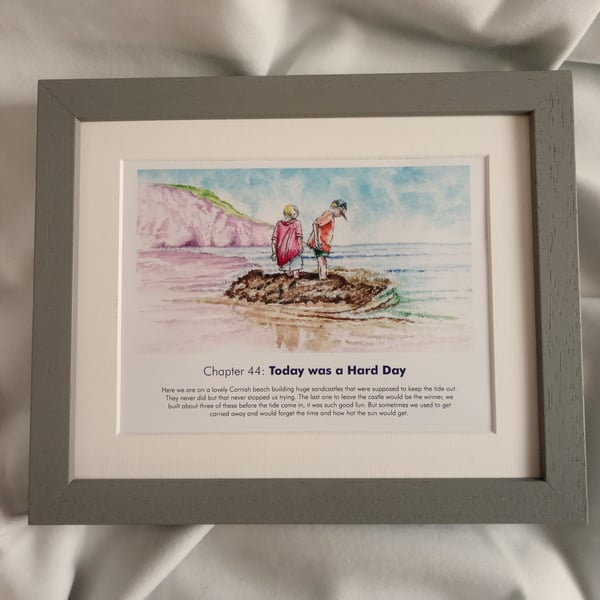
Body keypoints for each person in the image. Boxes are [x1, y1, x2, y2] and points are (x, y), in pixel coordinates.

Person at [307, 199, 347, 280]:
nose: (340, 215)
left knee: (322, 259)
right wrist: (317, 240)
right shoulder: (328, 215)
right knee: (322, 260)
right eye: (340, 212)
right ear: (336, 208)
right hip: (320, 243)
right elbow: (316, 224)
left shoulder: (330, 216)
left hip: (323, 243)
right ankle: (323, 277)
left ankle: (323, 276)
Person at [271, 204, 304, 278]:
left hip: (281, 251)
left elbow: (274, 239)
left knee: (286, 269)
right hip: (294, 249)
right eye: (295, 212)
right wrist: (301, 247)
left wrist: (274, 252)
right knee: (296, 267)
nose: (296, 214)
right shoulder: (297, 223)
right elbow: (299, 236)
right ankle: (295, 279)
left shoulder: (279, 224)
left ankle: (289, 279)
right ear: (290, 213)